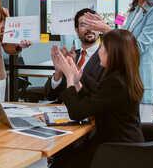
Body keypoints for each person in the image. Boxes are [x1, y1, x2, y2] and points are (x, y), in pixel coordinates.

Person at [51, 29, 144, 168]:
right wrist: (77, 82)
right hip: (123, 145)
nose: (99, 52)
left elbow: (77, 112)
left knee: (62, 160)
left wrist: (69, 78)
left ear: (113, 54)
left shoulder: (116, 82)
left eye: (103, 48)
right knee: (63, 155)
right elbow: (96, 101)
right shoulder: (124, 77)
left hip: (116, 151)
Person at [45, 8, 104, 102]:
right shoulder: (69, 56)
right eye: (84, 24)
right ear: (76, 30)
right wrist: (58, 73)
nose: (89, 28)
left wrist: (74, 68)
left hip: (87, 113)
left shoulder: (106, 58)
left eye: (93, 24)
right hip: (62, 112)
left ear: (100, 29)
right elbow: (50, 96)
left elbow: (99, 95)